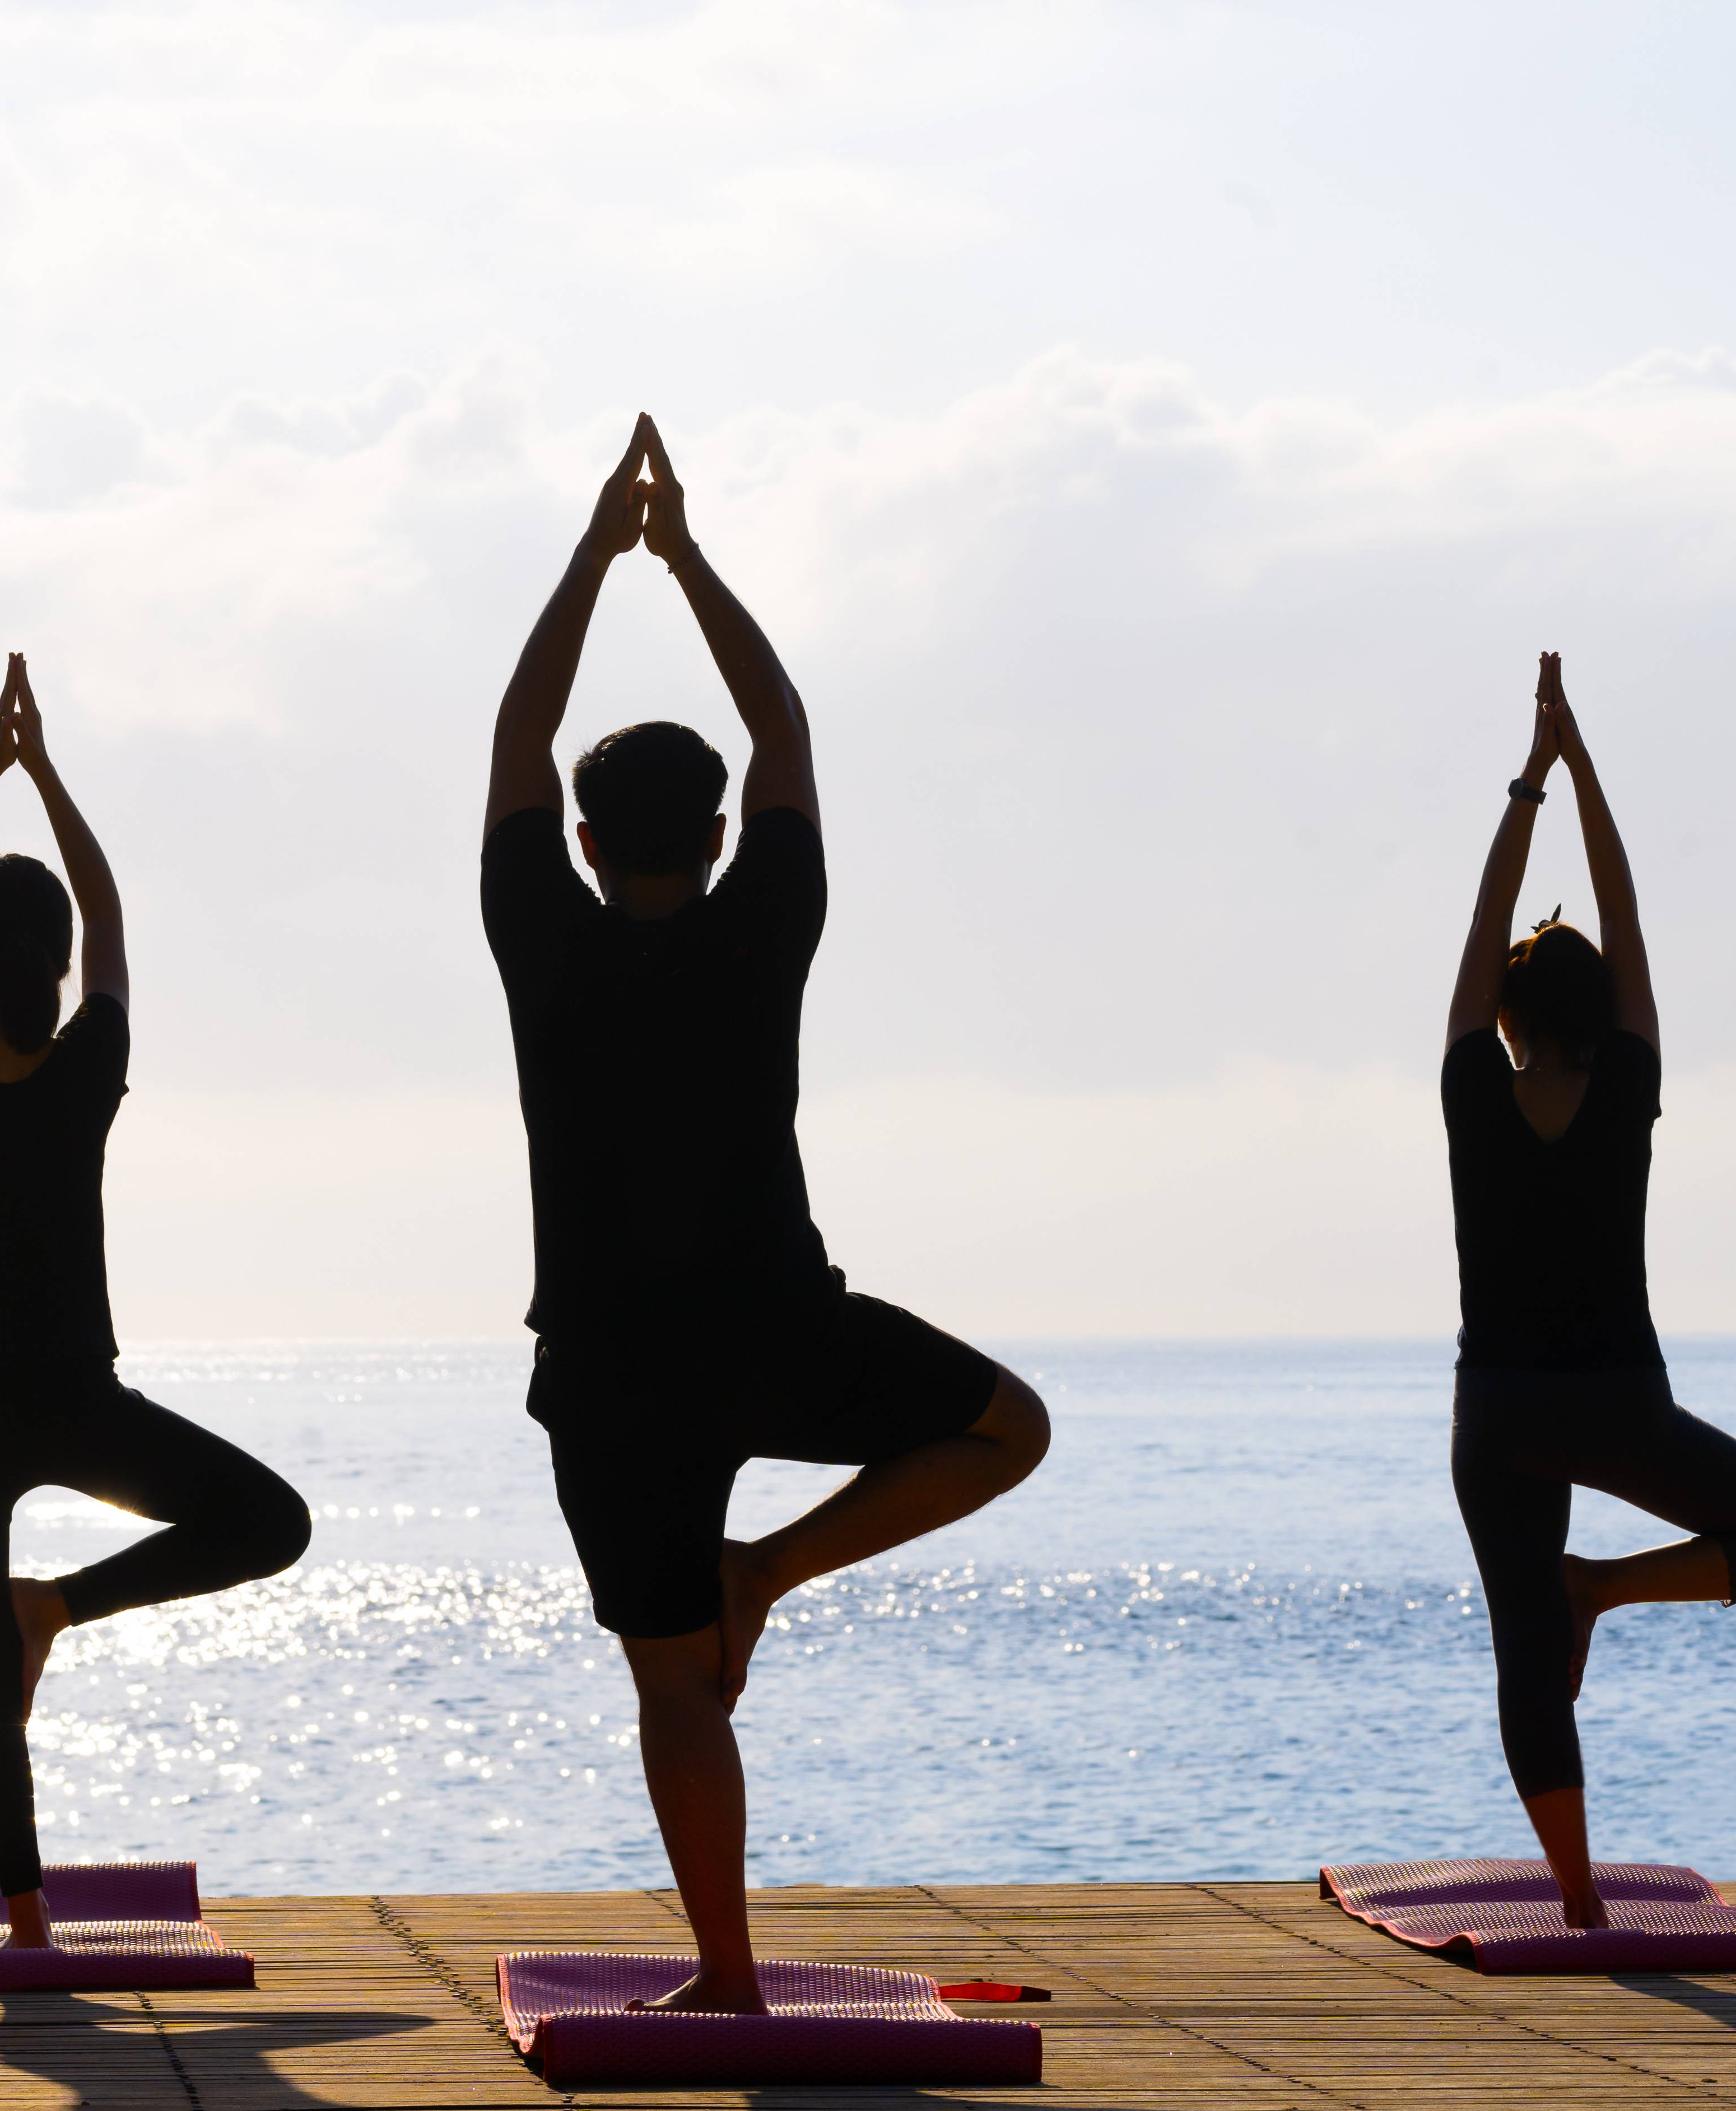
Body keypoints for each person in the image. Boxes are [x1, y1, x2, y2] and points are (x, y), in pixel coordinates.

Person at [479, 417, 1052, 2014]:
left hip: (610, 1374)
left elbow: (520, 729)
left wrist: (593, 556)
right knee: (1009, 1430)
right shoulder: (767, 921)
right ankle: (774, 1571)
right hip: (775, 1331)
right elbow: (780, 721)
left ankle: (726, 1975)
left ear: (585, 843)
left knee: (675, 1693)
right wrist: (684, 555)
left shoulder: (539, 929)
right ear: (722, 837)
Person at [0, 654, 311, 1947]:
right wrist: (46, 774)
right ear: (60, 966)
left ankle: (29, 1920)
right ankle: (58, 1607)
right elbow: (109, 908)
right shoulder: (92, 1064)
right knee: (269, 1522)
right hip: (68, 1397)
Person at [1441, 652, 1736, 1930]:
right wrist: (1582, 765)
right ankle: (1603, 1587)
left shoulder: (1468, 1086)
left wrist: (1528, 781)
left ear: (1505, 1015)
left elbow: (1482, 927)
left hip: (1500, 1413)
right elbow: (1622, 906)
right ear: (1606, 1007)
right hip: (1617, 1406)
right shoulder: (1628, 1082)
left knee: (1522, 1647)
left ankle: (1578, 1901)